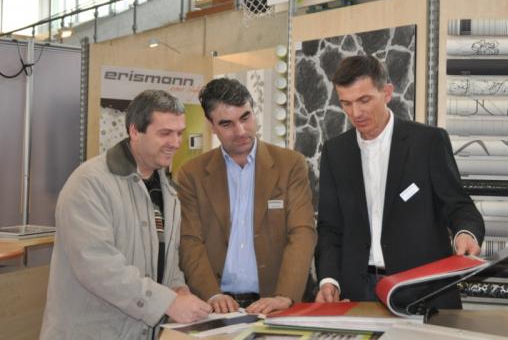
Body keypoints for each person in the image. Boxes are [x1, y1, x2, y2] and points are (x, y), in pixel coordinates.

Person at [40, 90, 212, 340]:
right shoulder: (89, 183)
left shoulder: (169, 190)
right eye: (165, 133)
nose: (175, 143)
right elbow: (97, 265)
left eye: (179, 133)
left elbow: (169, 259)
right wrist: (167, 302)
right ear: (135, 131)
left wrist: (179, 290)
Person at [315, 55, 485, 308]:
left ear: (387, 93)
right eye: (346, 104)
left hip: (421, 289)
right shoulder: (334, 152)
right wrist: (329, 280)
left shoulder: (427, 142)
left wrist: (466, 233)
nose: (355, 113)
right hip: (357, 290)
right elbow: (330, 227)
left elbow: (459, 206)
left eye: (364, 100)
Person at [177, 78, 316, 315]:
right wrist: (211, 294)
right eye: (227, 124)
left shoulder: (290, 164)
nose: (240, 131)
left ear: (254, 111)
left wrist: (285, 295)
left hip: (274, 302)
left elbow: (302, 232)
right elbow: (190, 241)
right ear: (211, 126)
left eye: (245, 117)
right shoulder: (192, 174)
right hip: (215, 305)